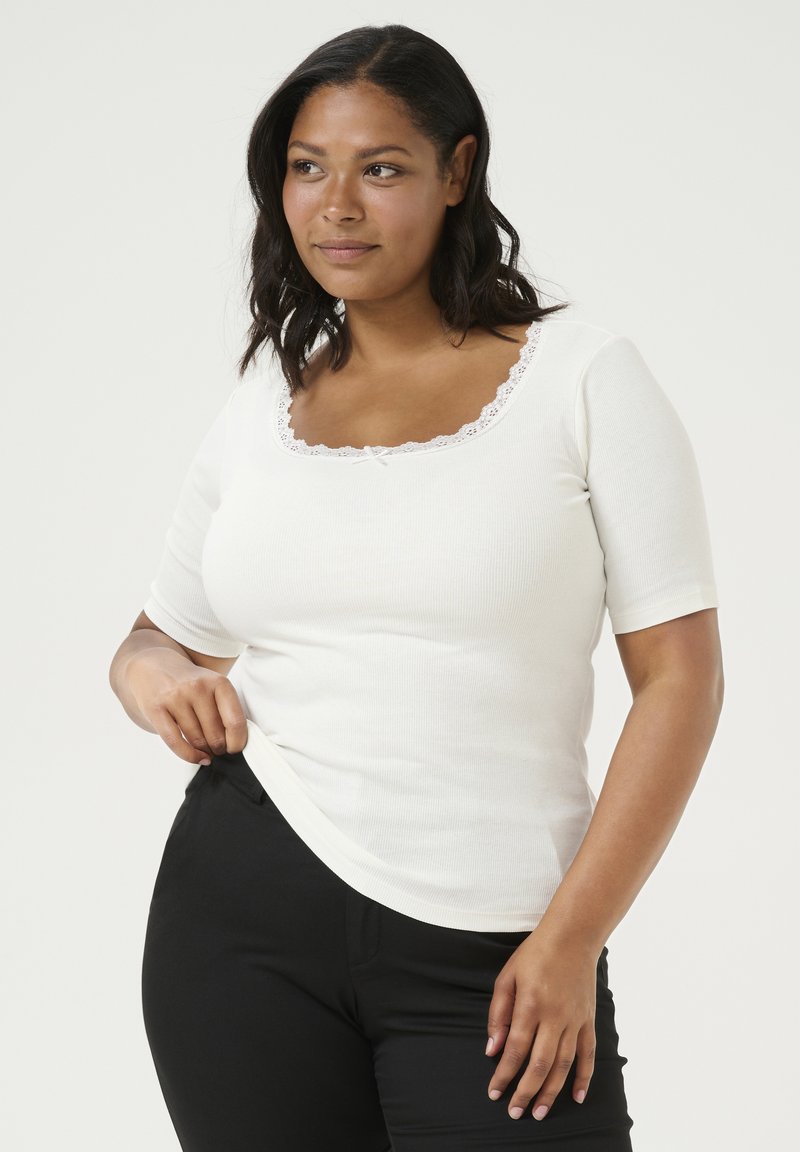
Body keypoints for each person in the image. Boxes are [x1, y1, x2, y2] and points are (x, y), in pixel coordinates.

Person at [108, 23, 724, 1152]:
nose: (336, 205)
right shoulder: (265, 401)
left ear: (457, 171)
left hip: (500, 954)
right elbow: (159, 637)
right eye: (307, 167)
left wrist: (570, 942)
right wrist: (154, 679)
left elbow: (680, 682)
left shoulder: (582, 379)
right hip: (239, 923)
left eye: (380, 167)